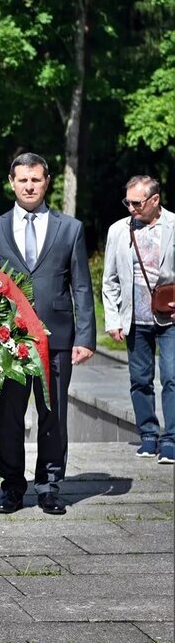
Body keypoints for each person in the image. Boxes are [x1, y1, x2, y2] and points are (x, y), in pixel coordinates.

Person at [0, 151, 95, 515]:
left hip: (56, 338)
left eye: (36, 179)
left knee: (53, 415)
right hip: (8, 341)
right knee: (9, 417)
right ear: (11, 182)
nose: (30, 186)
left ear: (47, 182)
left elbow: (81, 285)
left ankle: (49, 485)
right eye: (23, 180)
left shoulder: (70, 228)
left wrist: (85, 336)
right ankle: (12, 487)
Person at [103, 176, 175, 462]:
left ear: (155, 200)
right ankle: (148, 435)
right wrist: (113, 319)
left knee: (172, 378)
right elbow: (109, 281)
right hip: (135, 319)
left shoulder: (173, 225)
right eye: (128, 202)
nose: (131, 207)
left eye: (137, 202)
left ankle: (170, 439)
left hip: (170, 318)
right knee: (140, 380)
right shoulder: (118, 230)